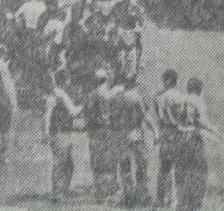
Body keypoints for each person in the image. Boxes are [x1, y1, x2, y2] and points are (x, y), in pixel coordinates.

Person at [111, 76, 157, 207]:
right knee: (142, 165)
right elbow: (144, 116)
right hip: (135, 134)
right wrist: (155, 131)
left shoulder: (116, 97)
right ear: (133, 83)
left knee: (125, 167)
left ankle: (128, 196)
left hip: (121, 135)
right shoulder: (135, 96)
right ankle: (141, 195)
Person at [175, 77, 214, 210]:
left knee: (183, 172)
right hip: (193, 139)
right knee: (200, 172)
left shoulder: (181, 99)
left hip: (180, 138)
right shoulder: (198, 100)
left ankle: (181, 203)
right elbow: (202, 120)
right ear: (199, 89)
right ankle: (194, 205)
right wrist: (211, 128)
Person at [44, 69, 83, 202]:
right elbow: (72, 112)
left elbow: (47, 116)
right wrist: (84, 106)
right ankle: (59, 193)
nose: (69, 82)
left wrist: (46, 132)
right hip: (62, 133)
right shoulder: (61, 95)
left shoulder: (53, 95)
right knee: (63, 164)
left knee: (63, 164)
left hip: (56, 133)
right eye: (68, 79)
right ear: (65, 80)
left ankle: (59, 191)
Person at [85, 68, 119, 203]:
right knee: (109, 161)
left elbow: (88, 116)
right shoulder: (109, 94)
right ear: (106, 79)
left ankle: (99, 191)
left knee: (97, 163)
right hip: (107, 131)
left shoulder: (92, 94)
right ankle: (109, 191)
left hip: (95, 132)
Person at [154, 69, 183, 207]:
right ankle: (172, 199)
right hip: (174, 132)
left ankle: (160, 198)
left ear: (168, 80)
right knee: (174, 167)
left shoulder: (158, 96)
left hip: (163, 132)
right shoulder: (178, 96)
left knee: (163, 167)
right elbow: (182, 117)